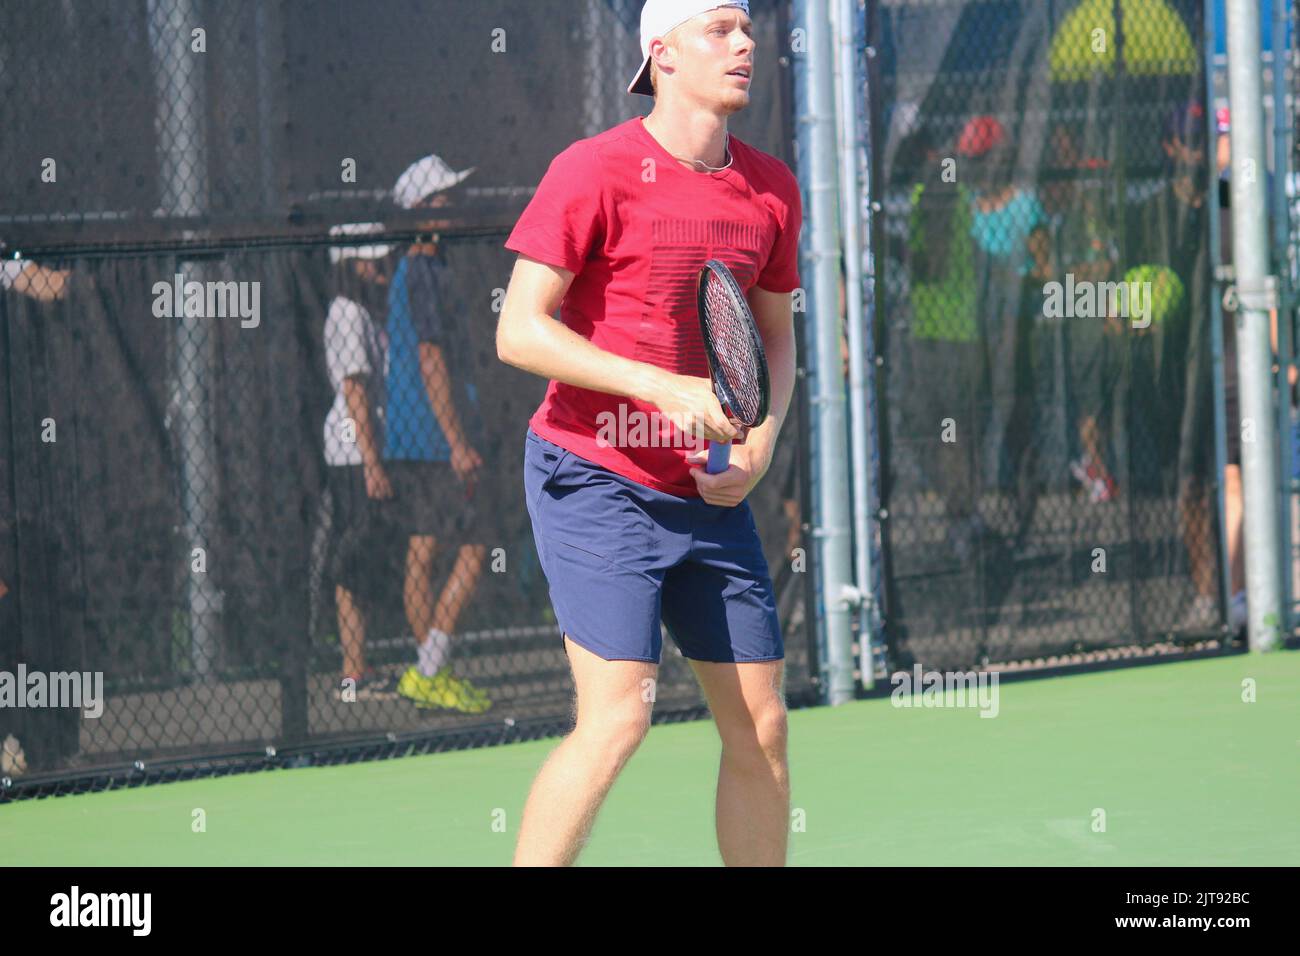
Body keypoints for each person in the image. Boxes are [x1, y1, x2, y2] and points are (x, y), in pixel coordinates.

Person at [497, 0, 800, 866]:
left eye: (748, 28)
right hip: (591, 473)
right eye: (720, 28)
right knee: (620, 716)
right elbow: (519, 329)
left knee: (763, 727)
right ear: (660, 53)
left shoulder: (772, 188)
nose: (745, 43)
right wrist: (660, 387)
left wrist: (761, 443)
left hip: (706, 489)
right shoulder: (593, 171)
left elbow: (773, 332)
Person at [381, 155, 491, 713]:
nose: (452, 206)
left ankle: (429, 671)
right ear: (420, 211)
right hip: (429, 435)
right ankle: (428, 669)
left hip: (415, 434)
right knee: (474, 547)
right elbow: (429, 357)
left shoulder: (426, 265)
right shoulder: (421, 270)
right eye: (442, 199)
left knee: (424, 547)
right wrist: (456, 440)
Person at [321, 223, 399, 701]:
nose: (377, 266)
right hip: (353, 455)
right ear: (347, 267)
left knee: (363, 559)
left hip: (365, 453)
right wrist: (372, 464)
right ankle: (352, 675)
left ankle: (359, 666)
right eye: (367, 259)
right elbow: (355, 392)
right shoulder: (347, 314)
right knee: (352, 561)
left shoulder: (364, 313)